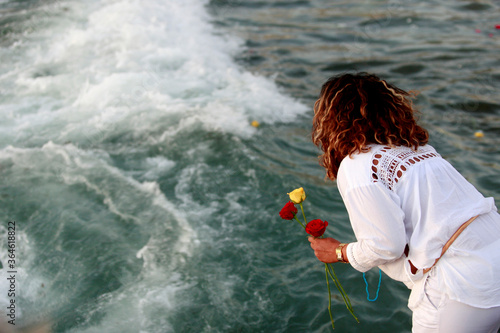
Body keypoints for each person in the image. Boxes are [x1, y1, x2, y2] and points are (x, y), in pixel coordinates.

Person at [308, 72, 500, 333]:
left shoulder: (359, 166)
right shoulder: (420, 150)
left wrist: (340, 252)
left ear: (331, 122)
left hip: (462, 286)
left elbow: (386, 245)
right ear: (391, 108)